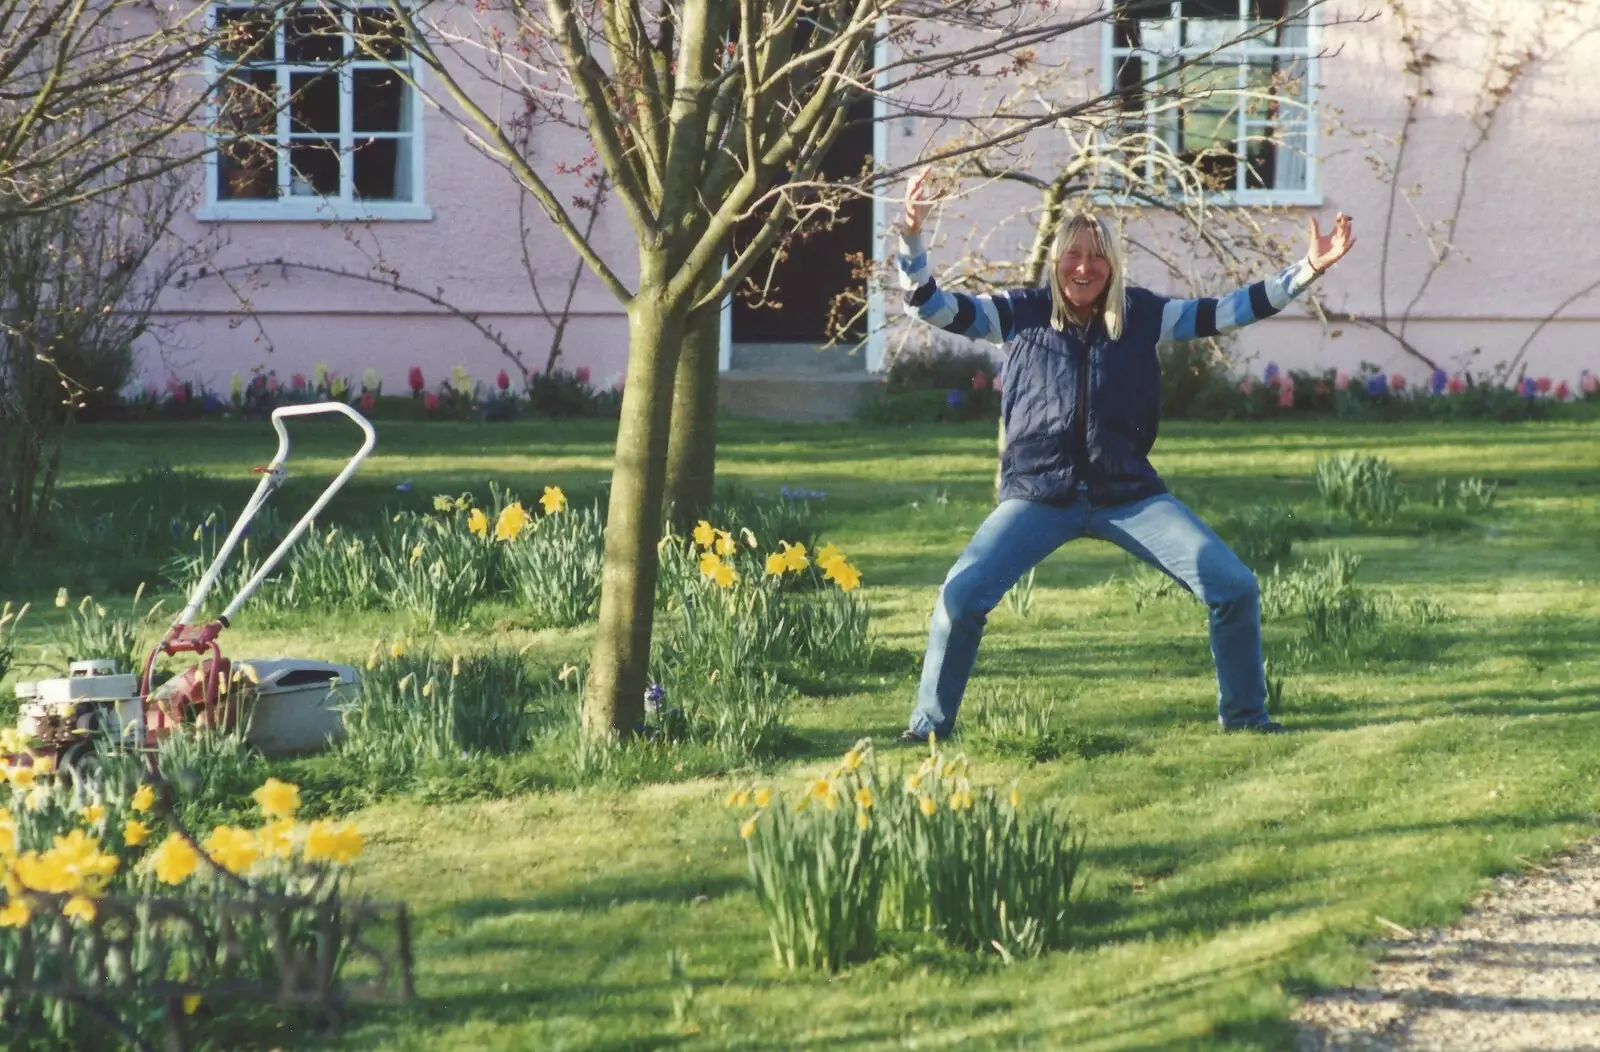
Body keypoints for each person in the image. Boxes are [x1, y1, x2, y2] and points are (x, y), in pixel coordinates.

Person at [894, 168, 1356, 742]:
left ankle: (1246, 719)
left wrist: (1306, 270)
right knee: (961, 596)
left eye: (1096, 257)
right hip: (1040, 494)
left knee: (1233, 587)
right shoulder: (1017, 312)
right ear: (1056, 262)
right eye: (1072, 256)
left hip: (1127, 494)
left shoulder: (1143, 316)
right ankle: (928, 730)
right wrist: (912, 239)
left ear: (1112, 266)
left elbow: (1230, 310)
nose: (1083, 268)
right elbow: (929, 306)